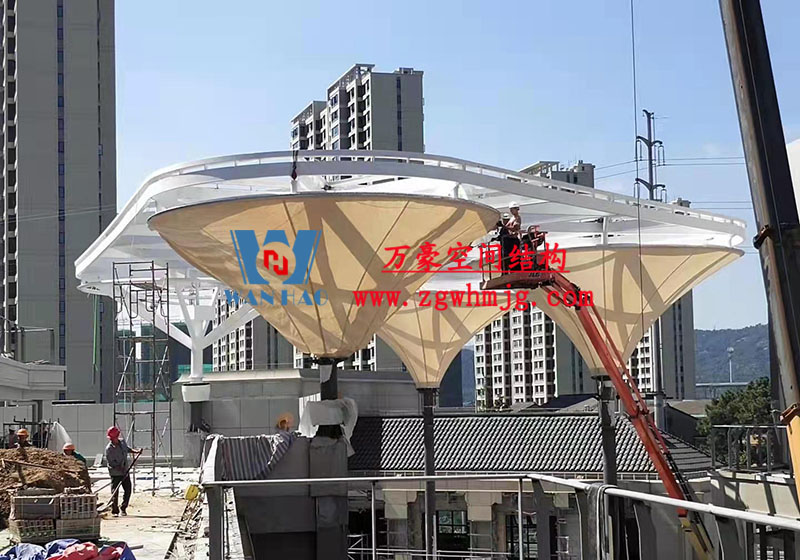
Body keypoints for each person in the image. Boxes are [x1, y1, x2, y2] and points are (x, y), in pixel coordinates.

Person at [105, 426, 141, 517]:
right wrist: (119, 468)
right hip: (115, 473)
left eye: (114, 437)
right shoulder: (109, 449)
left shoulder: (122, 443)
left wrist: (136, 451)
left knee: (128, 489)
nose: (113, 440)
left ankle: (123, 508)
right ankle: (115, 510)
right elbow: (111, 463)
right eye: (112, 438)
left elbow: (127, 449)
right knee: (115, 492)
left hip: (125, 471)